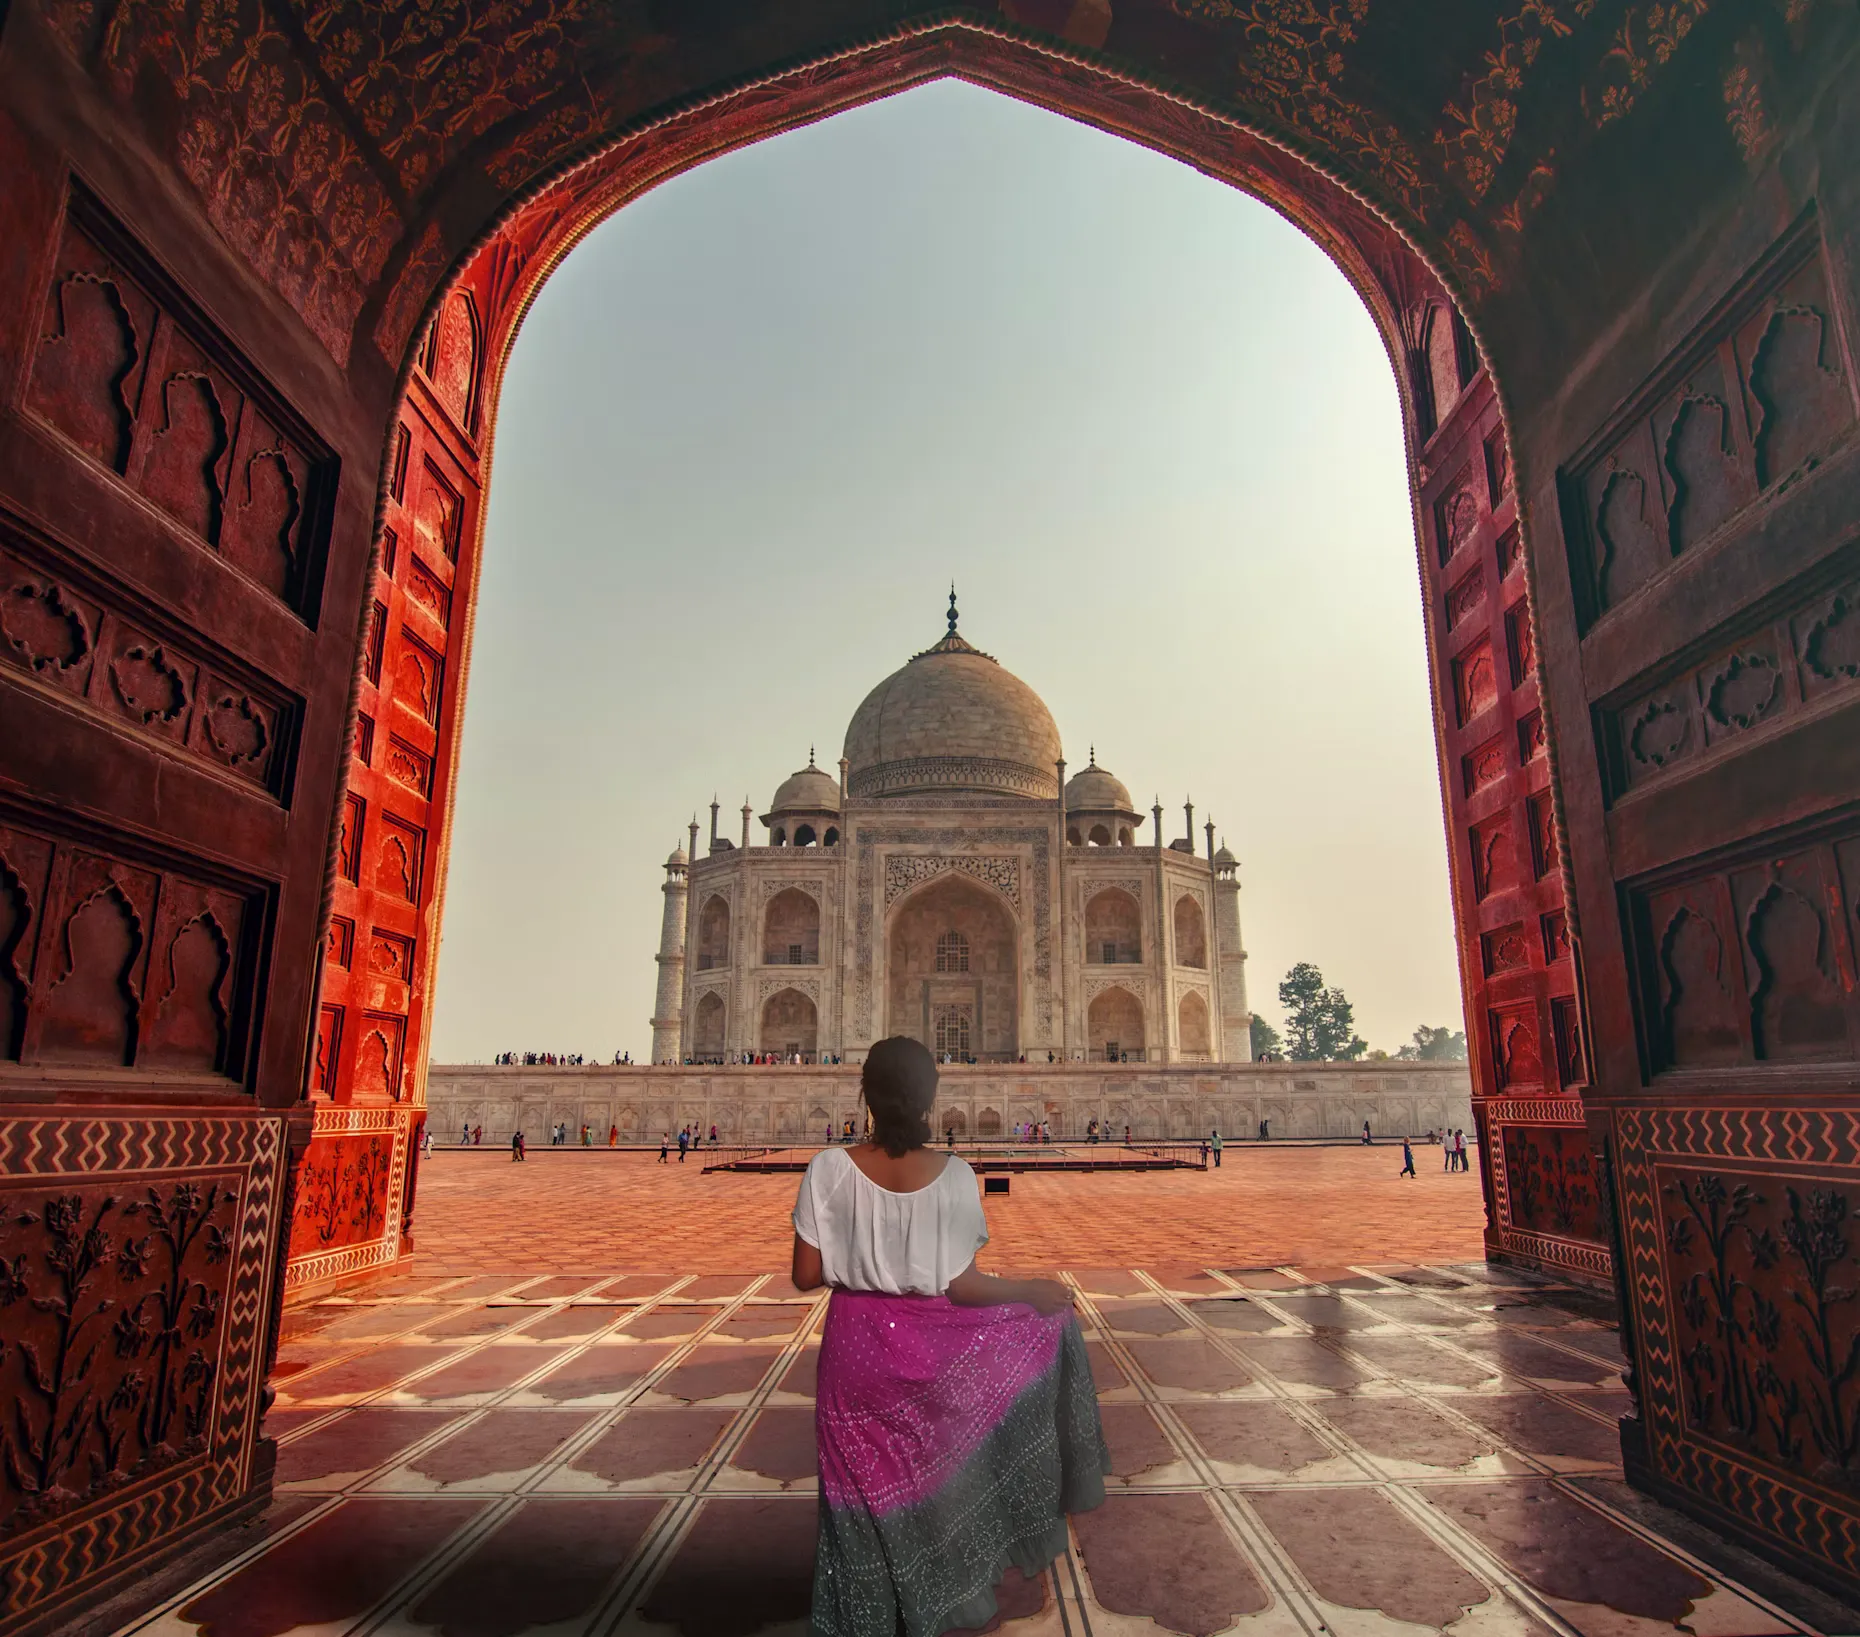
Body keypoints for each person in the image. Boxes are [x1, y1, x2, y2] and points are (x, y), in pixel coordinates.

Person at [791, 1037, 1107, 1636]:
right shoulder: (956, 1175)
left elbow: (806, 1277)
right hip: (926, 1345)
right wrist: (1028, 1293)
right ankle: (926, 1599)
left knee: (854, 1495)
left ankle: (865, 1617)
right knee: (923, 1480)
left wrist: (860, 1265)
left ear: (867, 1094)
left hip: (853, 1349)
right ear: (931, 1098)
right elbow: (963, 1288)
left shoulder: (828, 1168)